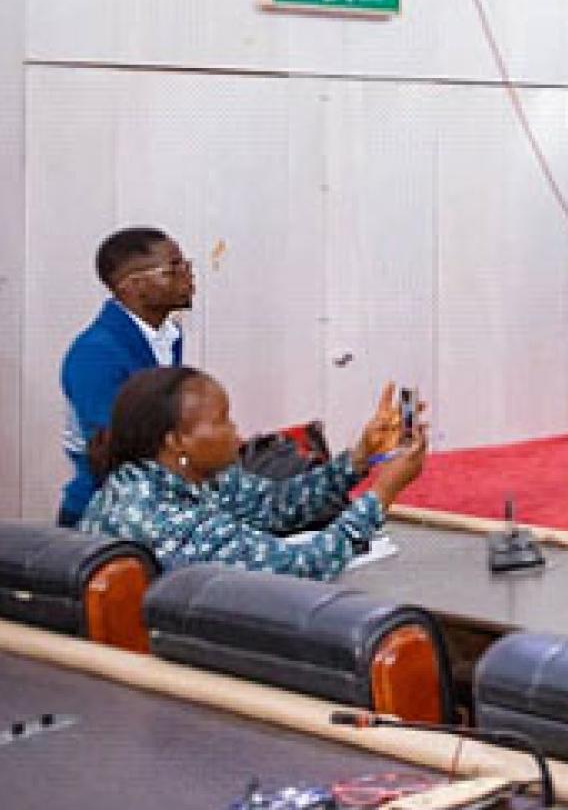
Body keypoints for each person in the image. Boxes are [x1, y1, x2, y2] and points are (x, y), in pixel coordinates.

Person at [80, 368, 428, 580]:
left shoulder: (187, 475)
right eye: (222, 421)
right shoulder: (162, 518)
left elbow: (277, 505)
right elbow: (302, 566)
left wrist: (360, 457)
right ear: (176, 442)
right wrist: (383, 493)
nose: (236, 432)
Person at [58, 228, 194, 525]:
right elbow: (112, 453)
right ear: (131, 286)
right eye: (173, 268)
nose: (188, 276)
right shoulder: (96, 353)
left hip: (149, 504)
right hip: (102, 516)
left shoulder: (168, 336)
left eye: (186, 265)